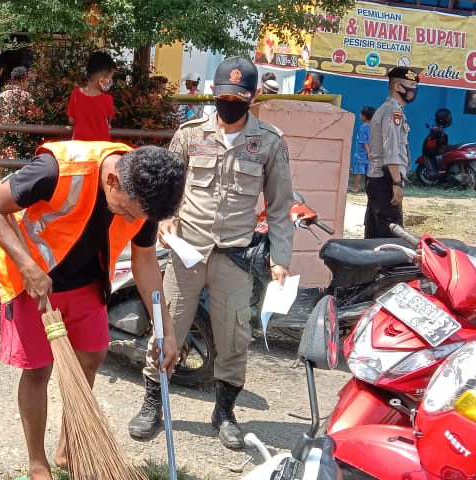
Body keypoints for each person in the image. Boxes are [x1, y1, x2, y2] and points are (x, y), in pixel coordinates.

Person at [0, 141, 186, 480]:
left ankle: (69, 447)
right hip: (32, 280)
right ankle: (37, 463)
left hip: (88, 281)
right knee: (38, 369)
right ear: (113, 181)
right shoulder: (56, 171)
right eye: (129, 212)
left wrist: (166, 329)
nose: (132, 220)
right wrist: (28, 268)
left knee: (91, 356)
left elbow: (145, 260)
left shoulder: (144, 194)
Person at [127, 56, 295, 450]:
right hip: (187, 252)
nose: (229, 104)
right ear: (214, 93)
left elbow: (280, 207)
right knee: (167, 327)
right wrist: (165, 219)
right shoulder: (189, 135)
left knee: (234, 337)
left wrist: (280, 258)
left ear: (252, 97)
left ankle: (224, 412)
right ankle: (153, 404)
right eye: (223, 96)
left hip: (235, 257)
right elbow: (167, 184)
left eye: (238, 98)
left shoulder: (269, 142)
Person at [365, 67, 418, 239]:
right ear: (397, 87)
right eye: (411, 85)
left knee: (375, 236)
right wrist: (397, 182)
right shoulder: (392, 111)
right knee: (391, 238)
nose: (414, 90)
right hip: (385, 179)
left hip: (379, 178)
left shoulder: (392, 109)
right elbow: (391, 149)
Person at [67, 51, 117, 141]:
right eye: (110, 78)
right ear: (101, 80)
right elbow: (108, 120)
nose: (110, 81)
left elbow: (71, 120)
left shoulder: (75, 94)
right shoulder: (107, 99)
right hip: (101, 145)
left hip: (80, 145)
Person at [351, 106, 375, 193]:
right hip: (372, 153)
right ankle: (367, 188)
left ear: (364, 116)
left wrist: (367, 152)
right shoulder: (374, 127)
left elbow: (363, 141)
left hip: (361, 154)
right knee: (369, 173)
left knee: (358, 171)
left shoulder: (362, 127)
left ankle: (355, 188)